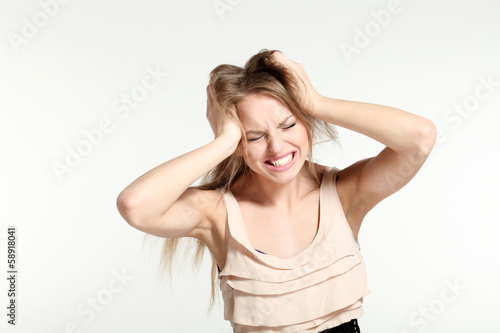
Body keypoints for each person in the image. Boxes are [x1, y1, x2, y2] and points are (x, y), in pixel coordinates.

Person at [116, 49, 437, 332]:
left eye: (288, 125)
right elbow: (135, 205)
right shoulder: (215, 211)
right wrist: (225, 141)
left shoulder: (342, 193)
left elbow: (420, 137)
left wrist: (316, 101)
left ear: (306, 121)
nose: (276, 147)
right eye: (254, 136)